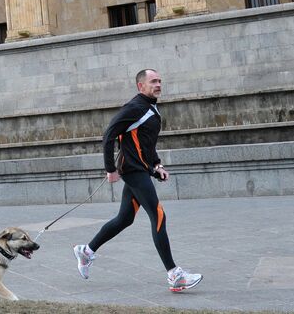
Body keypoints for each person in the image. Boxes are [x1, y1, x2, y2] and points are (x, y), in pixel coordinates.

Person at [73, 69, 202, 292]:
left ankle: (87, 251)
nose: (159, 84)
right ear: (140, 86)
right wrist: (110, 169)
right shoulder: (134, 108)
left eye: (160, 81)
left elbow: (144, 144)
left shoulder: (150, 107)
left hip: (139, 169)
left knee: (125, 219)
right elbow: (108, 136)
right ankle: (174, 275)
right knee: (158, 214)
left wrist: (157, 166)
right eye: (153, 81)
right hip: (132, 171)